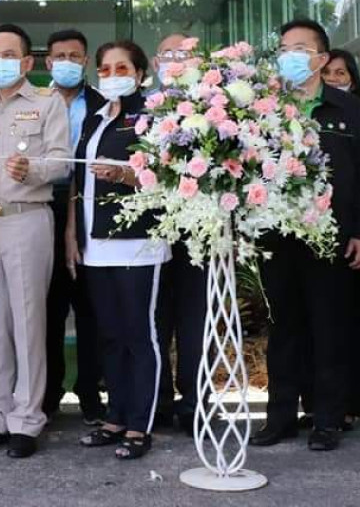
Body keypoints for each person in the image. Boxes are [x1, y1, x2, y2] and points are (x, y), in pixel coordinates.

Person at [252, 19, 360, 452]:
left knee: (329, 328)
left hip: (330, 236)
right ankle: (280, 417)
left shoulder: (348, 109)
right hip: (277, 236)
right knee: (283, 328)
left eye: (301, 48)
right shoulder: (265, 107)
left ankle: (327, 419)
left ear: (322, 59)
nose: (290, 55)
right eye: (284, 48)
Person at [0, 23, 70, 459]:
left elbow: (63, 161)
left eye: (9, 55)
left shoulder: (47, 103)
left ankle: (27, 419)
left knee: (28, 322)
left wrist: (33, 170)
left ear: (27, 62)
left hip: (27, 218)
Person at [67, 40, 169, 460]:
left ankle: (140, 425)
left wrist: (125, 177)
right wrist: (72, 235)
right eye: (105, 69)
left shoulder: (153, 116)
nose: (112, 76)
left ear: (140, 74)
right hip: (95, 244)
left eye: (121, 68)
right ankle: (115, 417)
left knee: (139, 336)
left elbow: (170, 176)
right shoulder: (95, 118)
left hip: (138, 242)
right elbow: (78, 181)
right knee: (109, 335)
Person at [43, 29, 106, 425]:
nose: (67, 62)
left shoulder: (103, 104)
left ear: (85, 61)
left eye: (75, 56)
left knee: (90, 307)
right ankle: (48, 393)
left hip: (88, 207)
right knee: (48, 309)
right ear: (48, 62)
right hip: (42, 206)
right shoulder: (35, 101)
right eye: (60, 56)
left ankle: (89, 391)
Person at [315, 47, 360, 428]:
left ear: (353, 78)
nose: (334, 79)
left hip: (355, 232)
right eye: (328, 73)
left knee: (353, 322)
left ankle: (352, 402)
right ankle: (322, 404)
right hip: (315, 235)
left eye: (341, 73)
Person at [150, 33, 208, 433]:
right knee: (154, 321)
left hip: (200, 232)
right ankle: (156, 402)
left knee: (195, 322)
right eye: (168, 54)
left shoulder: (218, 107)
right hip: (150, 231)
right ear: (156, 63)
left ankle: (194, 404)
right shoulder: (141, 109)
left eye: (184, 54)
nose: (175, 60)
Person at [323, 49, 360, 130]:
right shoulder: (308, 115)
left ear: (353, 84)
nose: (331, 78)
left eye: (340, 73)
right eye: (326, 72)